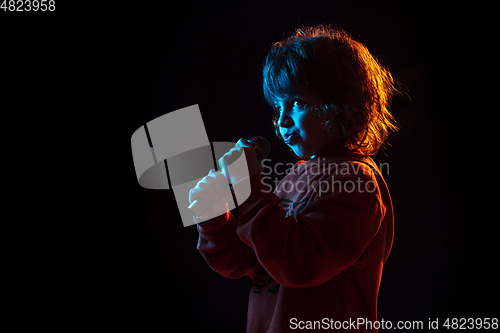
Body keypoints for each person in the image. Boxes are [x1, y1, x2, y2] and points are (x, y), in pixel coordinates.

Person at [189, 25, 398, 332]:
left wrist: (249, 188)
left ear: (342, 106)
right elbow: (252, 262)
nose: (282, 121)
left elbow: (298, 265)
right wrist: (215, 220)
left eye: (297, 103)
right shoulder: (297, 175)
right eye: (278, 107)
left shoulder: (357, 181)